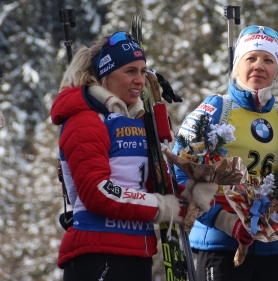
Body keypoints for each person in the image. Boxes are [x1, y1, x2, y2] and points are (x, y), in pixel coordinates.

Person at [51, 31, 216, 281]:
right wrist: (163, 208)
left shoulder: (136, 122)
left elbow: (153, 186)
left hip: (137, 254)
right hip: (96, 255)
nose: (140, 80)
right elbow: (98, 192)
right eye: (130, 71)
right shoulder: (84, 118)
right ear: (105, 75)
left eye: (143, 71)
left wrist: (192, 196)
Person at [173, 25, 278, 281]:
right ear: (237, 66)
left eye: (268, 60)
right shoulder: (216, 109)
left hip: (271, 247)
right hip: (220, 243)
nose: (259, 65)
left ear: (277, 71)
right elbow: (180, 173)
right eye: (250, 58)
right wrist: (224, 221)